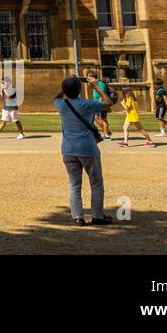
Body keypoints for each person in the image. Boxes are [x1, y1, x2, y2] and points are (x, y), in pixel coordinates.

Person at [54, 75, 113, 226]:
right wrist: (96, 86)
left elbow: (57, 96)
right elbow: (109, 102)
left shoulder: (60, 103)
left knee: (74, 184)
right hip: (87, 149)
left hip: (68, 149)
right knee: (96, 183)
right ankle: (98, 216)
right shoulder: (87, 104)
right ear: (80, 89)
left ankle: (78, 217)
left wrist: (65, 87)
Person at [86, 70, 115, 141]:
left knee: (103, 118)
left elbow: (103, 94)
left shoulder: (100, 83)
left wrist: (100, 103)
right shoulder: (95, 83)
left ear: (92, 77)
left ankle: (106, 135)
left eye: (88, 77)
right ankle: (107, 131)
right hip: (97, 104)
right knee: (94, 117)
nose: (87, 79)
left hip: (102, 104)